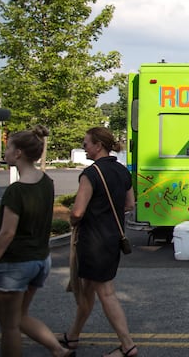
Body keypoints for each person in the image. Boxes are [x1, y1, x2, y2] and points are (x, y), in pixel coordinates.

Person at [58, 127, 138, 357]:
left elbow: (77, 212)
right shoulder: (122, 171)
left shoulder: (91, 174)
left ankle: (128, 345)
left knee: (105, 292)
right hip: (113, 239)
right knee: (87, 291)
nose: (84, 148)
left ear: (98, 145)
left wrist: (75, 222)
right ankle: (73, 336)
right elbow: (130, 204)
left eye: (86, 144)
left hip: (93, 241)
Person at [0, 126, 75, 357]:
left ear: (18, 153)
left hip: (15, 264)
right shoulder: (46, 182)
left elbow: (7, 234)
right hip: (41, 260)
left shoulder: (16, 191)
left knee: (9, 325)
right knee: (20, 316)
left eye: (9, 147)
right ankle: (57, 350)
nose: (6, 151)